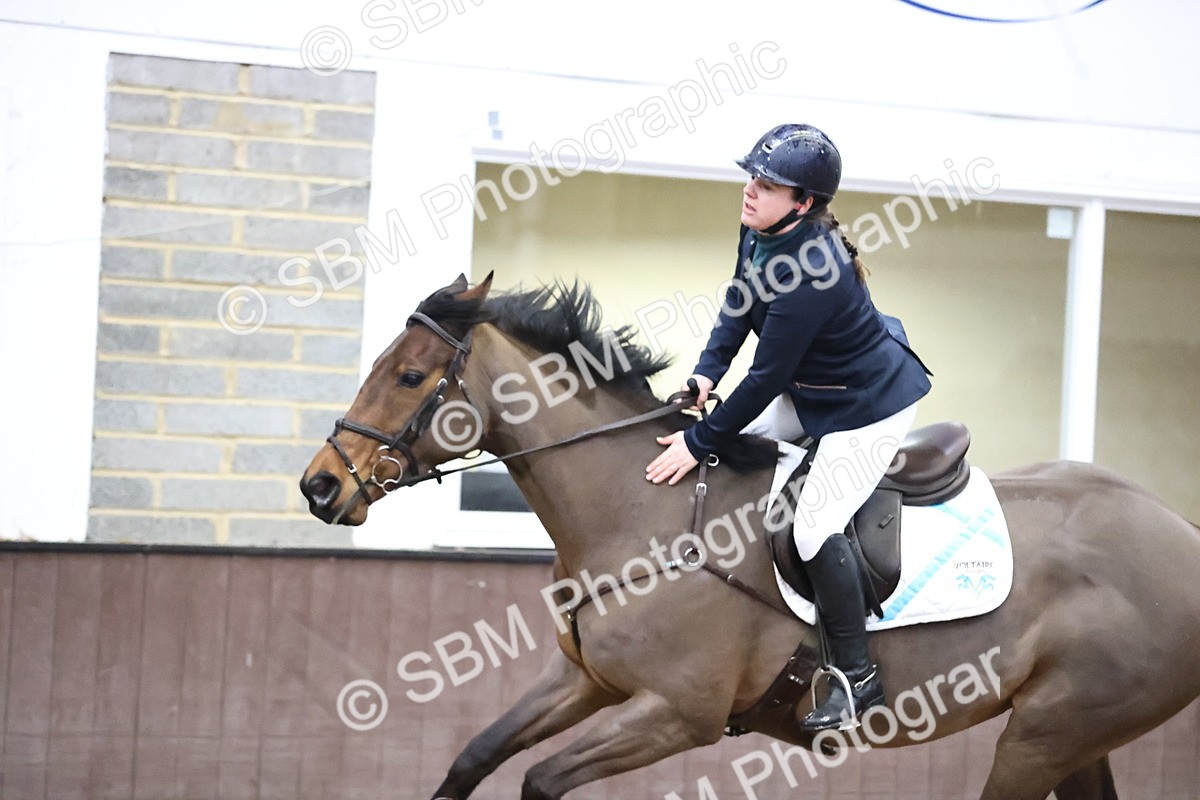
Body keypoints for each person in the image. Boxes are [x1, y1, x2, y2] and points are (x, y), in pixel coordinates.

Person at [645, 123, 932, 731]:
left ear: (803, 203)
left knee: (811, 527)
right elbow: (737, 303)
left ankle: (858, 680)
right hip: (816, 389)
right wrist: (704, 374)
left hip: (867, 406)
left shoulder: (812, 269)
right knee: (735, 455)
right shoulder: (762, 232)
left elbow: (766, 378)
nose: (751, 190)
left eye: (768, 184)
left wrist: (699, 440)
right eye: (752, 176)